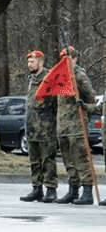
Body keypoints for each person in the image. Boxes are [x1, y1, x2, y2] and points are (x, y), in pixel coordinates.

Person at [55, 46, 97, 205]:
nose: (65, 61)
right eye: (62, 59)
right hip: (63, 126)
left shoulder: (79, 75)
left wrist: (85, 113)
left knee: (81, 159)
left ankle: (87, 192)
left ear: (75, 59)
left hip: (77, 125)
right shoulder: (60, 77)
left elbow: (90, 98)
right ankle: (73, 190)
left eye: (68, 58)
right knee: (68, 160)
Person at [19, 51, 58, 203]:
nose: (30, 65)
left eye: (32, 62)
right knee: (34, 159)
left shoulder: (49, 79)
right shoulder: (32, 79)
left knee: (47, 159)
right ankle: (37, 188)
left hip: (46, 127)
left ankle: (50, 189)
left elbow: (55, 103)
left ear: (40, 63)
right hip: (31, 127)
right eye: (28, 62)